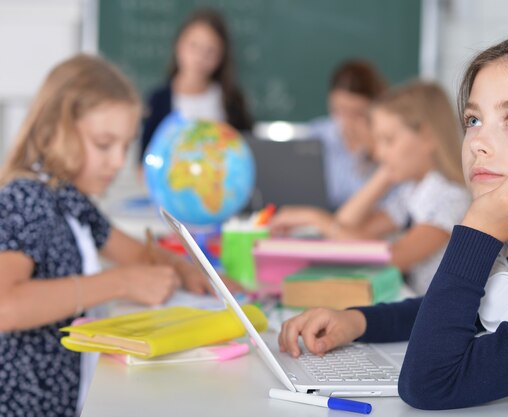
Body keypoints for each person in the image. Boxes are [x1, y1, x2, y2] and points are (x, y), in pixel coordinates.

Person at [277, 34, 508, 416]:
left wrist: (479, 232)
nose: (478, 142)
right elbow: (447, 312)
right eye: (473, 120)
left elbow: (429, 384)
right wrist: (357, 320)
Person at [0, 54, 241, 417]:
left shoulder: (71, 200)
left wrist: (191, 271)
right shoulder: (25, 198)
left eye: (125, 146)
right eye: (103, 144)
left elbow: (137, 254)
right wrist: (118, 283)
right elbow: (6, 306)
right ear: (55, 130)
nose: (117, 161)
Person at [271, 80, 470, 294]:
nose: (377, 153)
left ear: (427, 136)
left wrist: (315, 218)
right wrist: (384, 175)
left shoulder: (450, 198)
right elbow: (347, 227)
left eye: (388, 140)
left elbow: (392, 258)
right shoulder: (412, 191)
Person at [138, 8, 253, 163]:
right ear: (179, 45)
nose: (200, 57)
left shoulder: (232, 100)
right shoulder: (158, 100)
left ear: (221, 56)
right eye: (194, 46)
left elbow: (248, 150)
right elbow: (143, 159)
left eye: (210, 51)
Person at [307, 58, 387, 209]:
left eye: (357, 113)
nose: (347, 121)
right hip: (318, 222)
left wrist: (375, 152)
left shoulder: (387, 142)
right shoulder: (316, 135)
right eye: (340, 110)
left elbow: (391, 205)